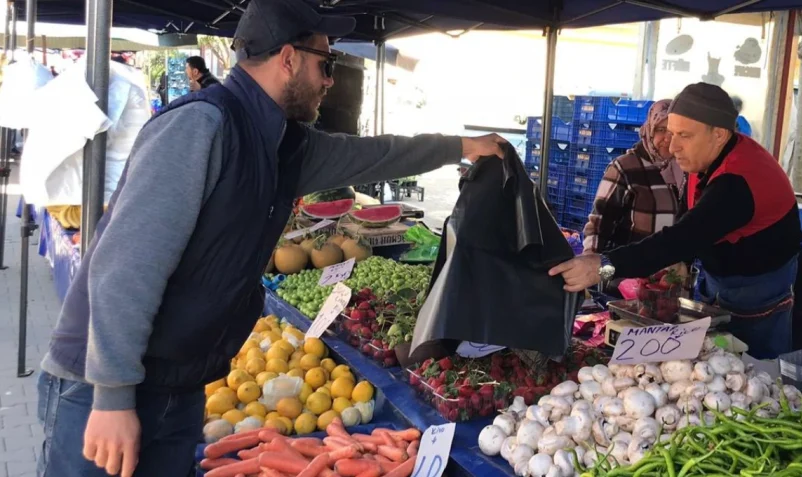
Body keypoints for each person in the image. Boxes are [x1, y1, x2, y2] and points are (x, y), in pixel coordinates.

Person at [35, 0, 505, 476]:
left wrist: (462, 147)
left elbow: (375, 154)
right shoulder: (201, 126)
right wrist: (112, 397)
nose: (329, 80)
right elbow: (124, 267)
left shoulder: (283, 142)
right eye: (326, 63)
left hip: (177, 383)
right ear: (288, 59)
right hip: (103, 389)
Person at [549, 82, 802, 360]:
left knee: (759, 373)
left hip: (763, 297)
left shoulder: (738, 181)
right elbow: (686, 220)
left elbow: (680, 239)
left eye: (684, 135)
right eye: (670, 132)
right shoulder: (704, 160)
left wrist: (602, 268)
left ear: (718, 134)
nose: (673, 146)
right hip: (722, 285)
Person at [583, 99, 686, 254]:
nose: (667, 138)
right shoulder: (625, 168)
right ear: (649, 129)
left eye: (673, 132)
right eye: (660, 130)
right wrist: (591, 262)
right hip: (631, 271)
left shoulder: (685, 168)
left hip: (671, 271)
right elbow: (600, 222)